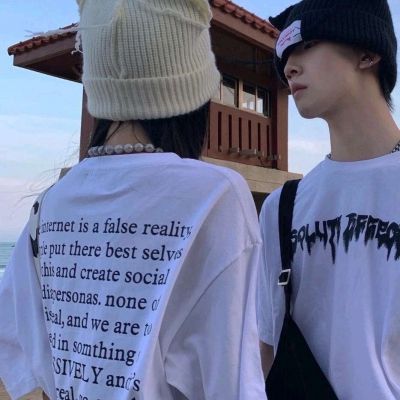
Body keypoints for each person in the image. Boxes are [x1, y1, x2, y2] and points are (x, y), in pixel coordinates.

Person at [0, 1, 267, 399]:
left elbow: (18, 346)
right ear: (192, 90)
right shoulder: (215, 195)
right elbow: (231, 379)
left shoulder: (50, 204)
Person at [257, 0, 400, 398]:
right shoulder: (282, 207)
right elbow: (267, 344)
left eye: (307, 46)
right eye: (284, 57)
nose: (289, 67)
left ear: (367, 53)